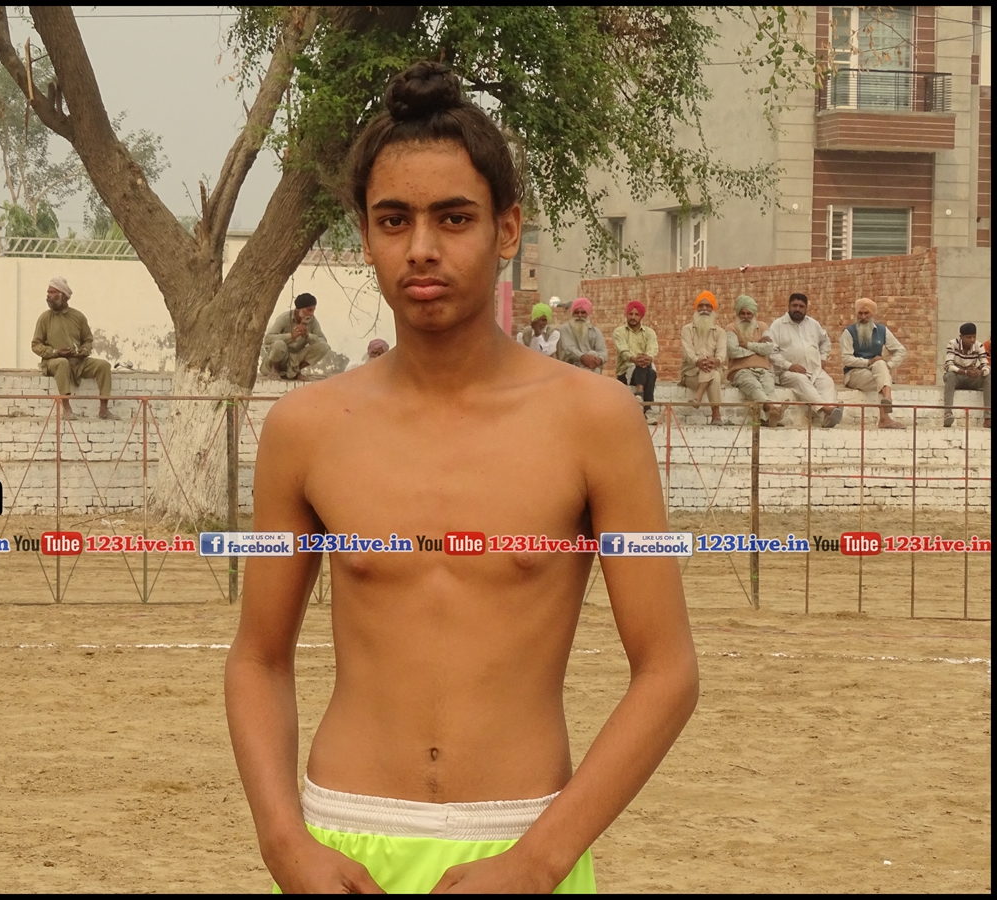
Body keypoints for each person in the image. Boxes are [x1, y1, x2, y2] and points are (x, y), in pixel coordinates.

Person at [225, 61, 697, 895]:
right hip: (343, 847)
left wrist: (539, 861)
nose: (422, 248)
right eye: (393, 220)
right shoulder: (305, 429)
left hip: (520, 849)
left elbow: (668, 671)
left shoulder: (595, 420)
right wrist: (285, 844)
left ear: (507, 229)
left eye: (453, 218)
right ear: (365, 237)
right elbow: (259, 658)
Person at [31, 277, 115, 420]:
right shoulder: (44, 318)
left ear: (63, 296)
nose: (48, 296)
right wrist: (55, 352)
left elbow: (88, 340)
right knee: (62, 362)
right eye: (48, 292)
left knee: (104, 365)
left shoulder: (78, 316)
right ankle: (66, 408)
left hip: (78, 362)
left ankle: (104, 409)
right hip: (54, 361)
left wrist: (83, 351)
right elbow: (36, 345)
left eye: (52, 292)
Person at [767, 292, 842, 428]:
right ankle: (828, 410)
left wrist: (823, 358)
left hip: (814, 369)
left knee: (827, 382)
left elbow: (825, 341)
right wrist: (789, 366)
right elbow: (771, 352)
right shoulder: (778, 325)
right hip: (787, 373)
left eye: (801, 306)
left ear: (806, 308)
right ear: (789, 306)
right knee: (800, 380)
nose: (797, 309)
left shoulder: (813, 324)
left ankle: (827, 417)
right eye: (794, 305)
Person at [840, 297, 907, 429]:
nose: (863, 317)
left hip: (876, 372)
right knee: (883, 377)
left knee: (881, 365)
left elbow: (901, 350)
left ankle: (886, 405)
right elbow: (846, 359)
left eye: (867, 313)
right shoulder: (849, 332)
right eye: (860, 313)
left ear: (872, 314)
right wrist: (868, 362)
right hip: (854, 373)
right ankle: (886, 411)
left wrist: (889, 365)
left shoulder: (882, 330)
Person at [726, 295, 783, 427]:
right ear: (738, 314)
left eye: (749, 314)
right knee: (754, 387)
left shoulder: (763, 327)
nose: (746, 317)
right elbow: (732, 351)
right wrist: (758, 348)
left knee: (769, 388)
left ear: (754, 314)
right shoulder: (731, 328)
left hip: (764, 369)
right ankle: (772, 409)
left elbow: (769, 348)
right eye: (743, 314)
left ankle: (768, 419)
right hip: (740, 370)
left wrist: (747, 345)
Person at [678, 291, 727, 425]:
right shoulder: (687, 330)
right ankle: (716, 415)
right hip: (691, 373)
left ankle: (698, 396)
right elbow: (688, 353)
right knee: (714, 375)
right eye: (701, 306)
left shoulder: (720, 332)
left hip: (713, 368)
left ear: (713, 309)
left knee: (714, 373)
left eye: (708, 306)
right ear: (696, 308)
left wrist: (715, 361)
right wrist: (698, 361)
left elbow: (722, 354)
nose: (704, 309)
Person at [260, 293, 331, 379]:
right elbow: (268, 339)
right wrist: (291, 336)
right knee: (279, 344)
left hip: (296, 358)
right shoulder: (285, 318)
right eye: (309, 310)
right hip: (280, 357)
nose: (311, 314)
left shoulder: (313, 321)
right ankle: (275, 370)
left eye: (313, 310)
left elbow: (323, 341)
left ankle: (296, 371)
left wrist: (308, 336)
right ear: (298, 309)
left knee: (324, 347)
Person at [612, 301, 659, 420]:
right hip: (625, 372)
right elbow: (623, 350)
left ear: (641, 316)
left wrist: (647, 358)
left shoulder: (649, 332)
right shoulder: (619, 331)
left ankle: (640, 395)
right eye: (631, 314)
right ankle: (648, 409)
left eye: (636, 314)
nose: (633, 317)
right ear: (626, 315)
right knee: (645, 368)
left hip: (645, 370)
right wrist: (634, 359)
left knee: (649, 371)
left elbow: (653, 348)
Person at [943, 323, 991, 428]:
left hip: (971, 379)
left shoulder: (979, 346)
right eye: (969, 337)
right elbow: (948, 366)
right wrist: (965, 372)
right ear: (961, 337)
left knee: (988, 376)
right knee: (950, 375)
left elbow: (986, 366)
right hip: (956, 378)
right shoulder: (952, 344)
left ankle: (988, 418)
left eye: (974, 336)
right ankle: (948, 413)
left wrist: (979, 372)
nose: (972, 340)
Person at [556, 298, 607, 371]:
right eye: (576, 312)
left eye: (583, 313)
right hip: (570, 368)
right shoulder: (565, 329)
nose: (579, 315)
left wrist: (598, 360)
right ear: (572, 314)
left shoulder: (595, 331)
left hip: (592, 368)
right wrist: (583, 357)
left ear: (587, 314)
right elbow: (569, 349)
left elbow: (603, 351)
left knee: (593, 354)